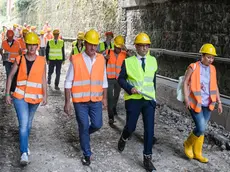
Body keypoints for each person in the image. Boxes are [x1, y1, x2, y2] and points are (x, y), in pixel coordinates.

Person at [64, 29, 108, 166]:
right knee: (83, 125)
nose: (93, 47)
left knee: (97, 124)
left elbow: (104, 80)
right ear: (85, 43)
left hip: (95, 100)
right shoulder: (76, 59)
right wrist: (67, 102)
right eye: (90, 44)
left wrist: (105, 98)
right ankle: (87, 154)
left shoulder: (101, 59)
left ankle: (84, 135)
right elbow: (67, 82)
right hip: (80, 102)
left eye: (95, 45)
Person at [5, 32, 47, 165]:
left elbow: (43, 79)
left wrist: (45, 95)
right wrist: (7, 94)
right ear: (26, 45)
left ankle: (25, 143)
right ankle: (23, 153)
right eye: (30, 45)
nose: (32, 47)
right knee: (23, 125)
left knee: (28, 124)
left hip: (34, 98)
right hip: (20, 97)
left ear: (37, 46)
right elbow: (10, 76)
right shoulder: (19, 59)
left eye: (34, 45)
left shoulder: (42, 61)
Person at [117, 32, 157, 171]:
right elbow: (120, 79)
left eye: (147, 46)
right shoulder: (128, 62)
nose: (145, 48)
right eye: (142, 46)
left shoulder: (153, 61)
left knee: (149, 130)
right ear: (136, 47)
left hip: (148, 100)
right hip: (134, 99)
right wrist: (130, 88)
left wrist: (154, 98)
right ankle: (124, 137)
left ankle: (147, 158)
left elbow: (153, 81)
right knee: (131, 127)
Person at [183, 43, 223, 163]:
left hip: (208, 103)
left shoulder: (212, 69)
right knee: (200, 127)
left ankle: (198, 153)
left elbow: (215, 86)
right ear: (202, 56)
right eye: (208, 57)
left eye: (212, 58)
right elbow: (185, 83)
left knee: (202, 129)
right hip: (195, 102)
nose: (211, 60)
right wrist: (186, 98)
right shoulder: (193, 67)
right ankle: (187, 144)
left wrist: (219, 101)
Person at [106, 35, 127, 125]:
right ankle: (111, 116)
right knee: (110, 97)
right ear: (114, 46)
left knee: (116, 96)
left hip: (119, 79)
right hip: (109, 78)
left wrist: (126, 50)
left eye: (120, 47)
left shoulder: (124, 54)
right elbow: (98, 55)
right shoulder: (108, 52)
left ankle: (114, 107)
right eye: (117, 47)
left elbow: (134, 59)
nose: (118, 49)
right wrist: (104, 58)